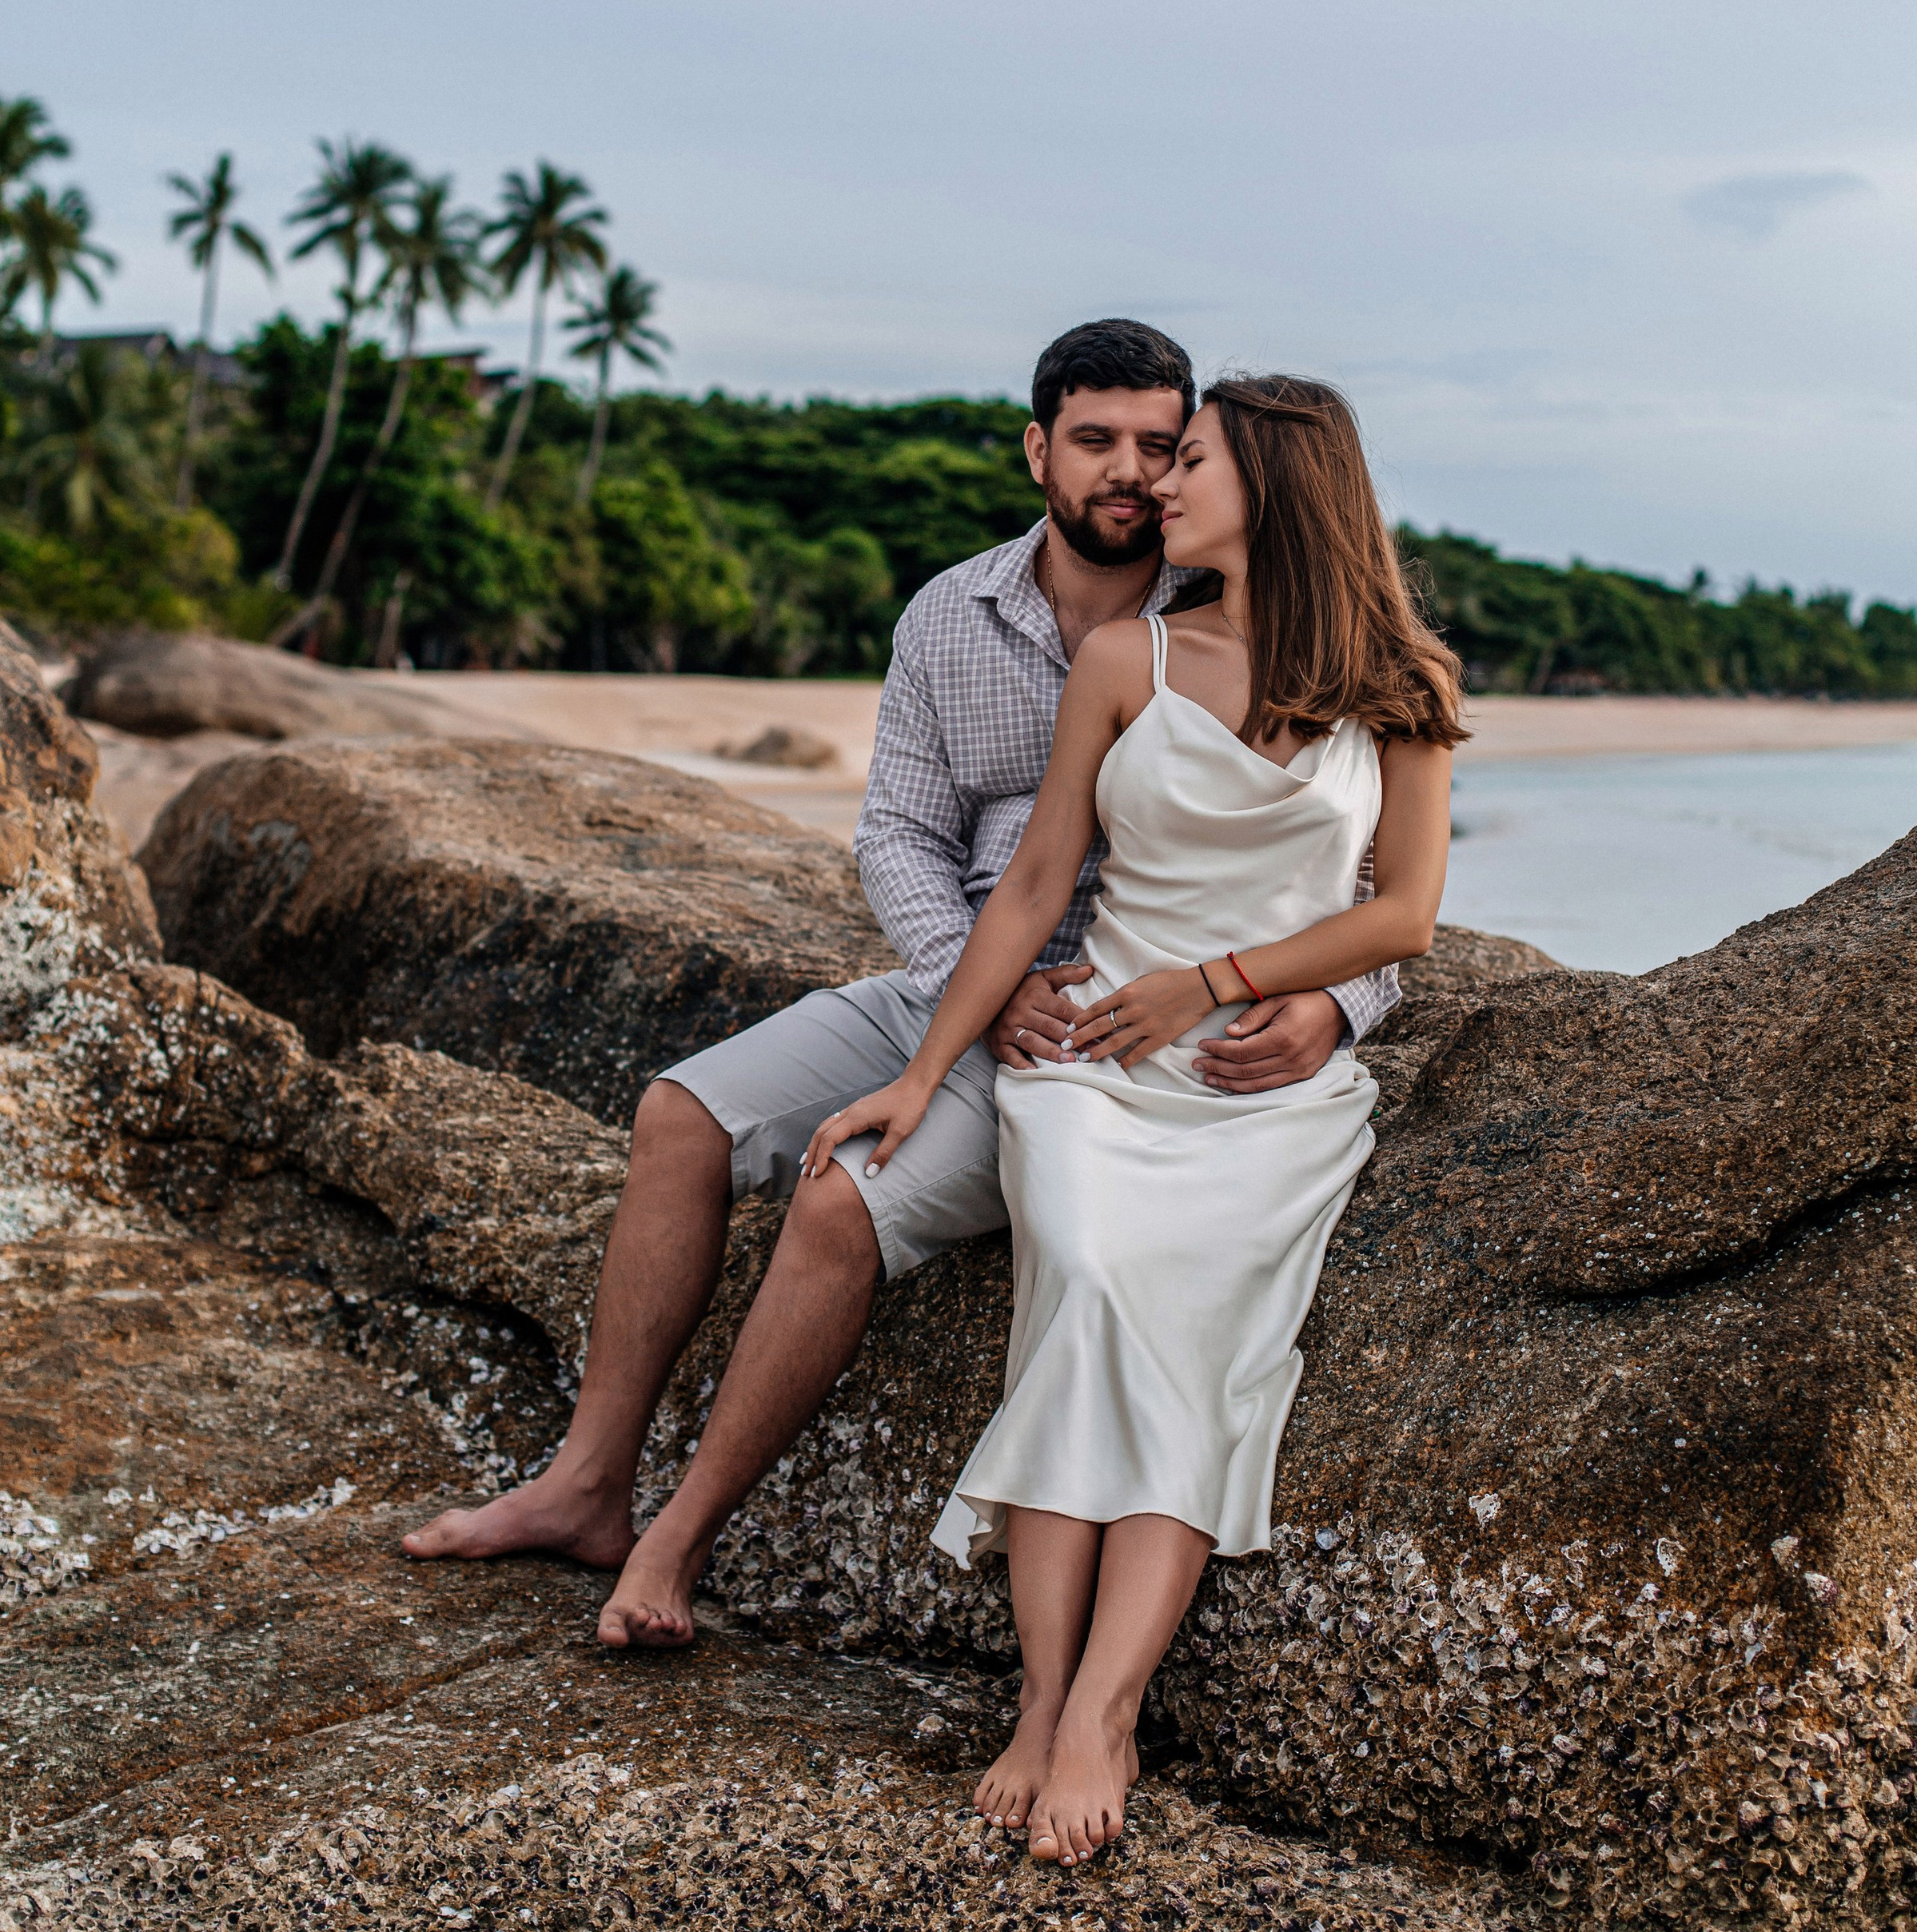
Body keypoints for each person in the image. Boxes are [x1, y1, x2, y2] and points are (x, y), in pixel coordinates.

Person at [402, 323, 1401, 1643]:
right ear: (1039, 448)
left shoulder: (1234, 612)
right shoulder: (952, 612)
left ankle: (676, 1541)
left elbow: (1361, 875)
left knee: (839, 1200)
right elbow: (899, 834)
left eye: (1163, 447)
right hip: (960, 974)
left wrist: (1337, 1007)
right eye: (1097, 441)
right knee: (679, 1117)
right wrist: (962, 990)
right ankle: (586, 1485)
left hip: (1105, 1029)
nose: (1133, 474)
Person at [799, 375, 1461, 1868]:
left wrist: (1224, 985)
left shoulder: (1403, 680)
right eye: (1159, 460)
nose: (1162, 485)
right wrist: (925, 1071)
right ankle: (1043, 1704)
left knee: (1198, 1345)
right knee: (1089, 1282)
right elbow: (1035, 884)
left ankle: (1104, 1710)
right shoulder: (1125, 655)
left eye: (1195, 461)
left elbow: (1405, 915)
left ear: (1281, 485)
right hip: (1094, 1060)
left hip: (1259, 1096)